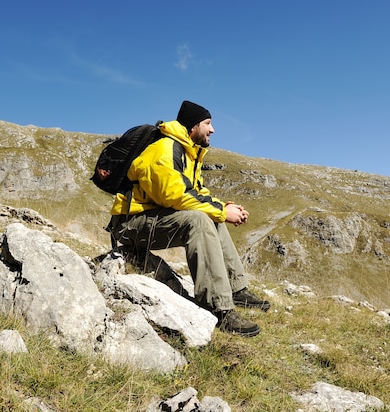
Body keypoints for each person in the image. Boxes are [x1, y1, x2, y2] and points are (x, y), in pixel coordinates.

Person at [109, 100, 270, 337]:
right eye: (208, 123)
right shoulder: (165, 150)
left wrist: (222, 208)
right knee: (199, 220)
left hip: (151, 219)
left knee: (210, 216)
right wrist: (223, 213)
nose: (212, 129)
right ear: (193, 126)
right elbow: (175, 196)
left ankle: (236, 289)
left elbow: (196, 192)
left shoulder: (187, 152)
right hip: (130, 225)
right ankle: (218, 308)